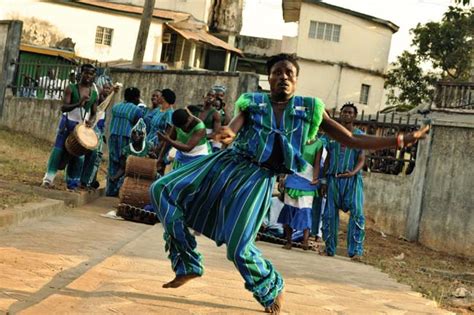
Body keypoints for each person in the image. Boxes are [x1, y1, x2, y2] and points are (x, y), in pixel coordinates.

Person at [149, 53, 429, 314]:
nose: (283, 76)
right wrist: (225, 134)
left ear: (296, 79)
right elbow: (232, 129)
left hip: (257, 178)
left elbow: (352, 140)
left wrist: (399, 140)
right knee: (161, 189)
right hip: (227, 165)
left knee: (238, 247)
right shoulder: (252, 104)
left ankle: (269, 289)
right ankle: (187, 263)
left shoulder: (309, 110)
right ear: (268, 78)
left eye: (289, 73)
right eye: (277, 72)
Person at [320, 102, 366, 261]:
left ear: (354, 116)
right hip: (333, 179)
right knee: (329, 215)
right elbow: (326, 159)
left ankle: (356, 251)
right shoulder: (331, 135)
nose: (346, 115)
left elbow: (361, 159)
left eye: (350, 113)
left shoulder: (360, 135)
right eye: (344, 112)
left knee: (358, 213)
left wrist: (353, 172)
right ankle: (329, 248)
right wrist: (323, 180)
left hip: (352, 181)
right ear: (340, 114)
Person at [41, 64, 98, 190]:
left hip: (81, 128)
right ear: (81, 73)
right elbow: (63, 107)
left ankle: (72, 183)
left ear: (94, 76)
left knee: (78, 156)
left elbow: (94, 113)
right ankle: (48, 179)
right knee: (58, 151)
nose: (88, 76)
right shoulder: (71, 88)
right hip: (67, 124)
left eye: (91, 74)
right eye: (86, 73)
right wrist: (79, 103)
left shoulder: (94, 94)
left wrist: (91, 121)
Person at [278, 138, 323, 251]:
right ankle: (288, 241)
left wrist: (316, 178)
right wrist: (283, 177)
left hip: (308, 180)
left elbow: (317, 163)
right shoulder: (296, 138)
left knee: (306, 210)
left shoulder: (319, 144)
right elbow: (288, 159)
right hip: (293, 178)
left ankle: (305, 241)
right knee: (289, 209)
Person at [106, 87, 143, 196]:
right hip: (126, 138)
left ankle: (110, 191)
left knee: (113, 162)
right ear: (136, 98)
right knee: (125, 165)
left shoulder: (116, 107)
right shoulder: (137, 110)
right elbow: (137, 127)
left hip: (113, 137)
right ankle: (120, 190)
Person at [80, 81, 113, 190]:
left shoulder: (106, 101)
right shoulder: (99, 99)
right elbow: (101, 104)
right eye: (106, 88)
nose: (107, 91)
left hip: (100, 130)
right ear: (102, 89)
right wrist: (113, 93)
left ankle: (90, 180)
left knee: (97, 157)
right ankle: (87, 180)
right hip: (94, 129)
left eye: (109, 89)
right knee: (94, 155)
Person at [109, 119, 156, 184]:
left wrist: (154, 158)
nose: (136, 135)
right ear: (131, 135)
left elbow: (155, 165)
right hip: (131, 177)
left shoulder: (149, 146)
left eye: (139, 133)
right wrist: (114, 178)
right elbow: (123, 168)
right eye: (134, 133)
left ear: (143, 136)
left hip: (146, 177)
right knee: (121, 183)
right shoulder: (126, 150)